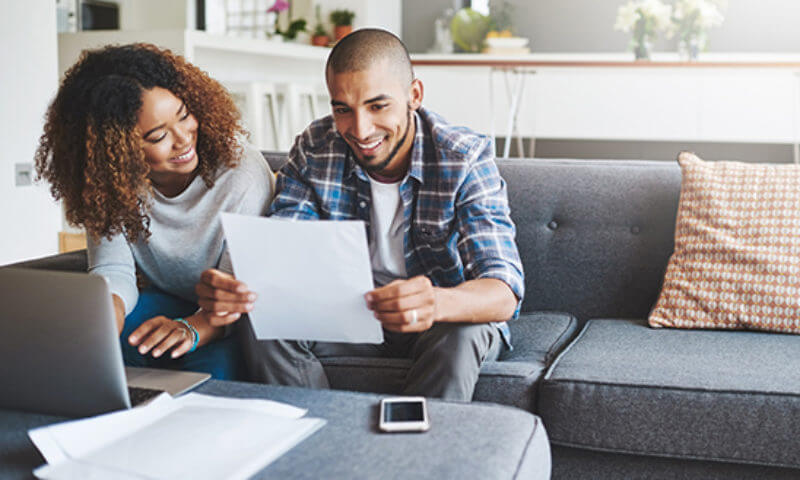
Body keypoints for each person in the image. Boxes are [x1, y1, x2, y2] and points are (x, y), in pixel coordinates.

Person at [196, 28, 523, 400]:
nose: (360, 129)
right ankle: (319, 439)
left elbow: (503, 290)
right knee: (261, 321)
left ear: (413, 95)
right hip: (352, 318)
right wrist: (238, 286)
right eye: (342, 109)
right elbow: (286, 245)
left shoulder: (462, 157)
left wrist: (434, 302)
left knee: (463, 333)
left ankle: (419, 456)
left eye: (377, 106)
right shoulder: (316, 148)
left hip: (440, 320)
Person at [35, 43, 273, 380]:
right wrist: (106, 315)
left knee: (213, 380)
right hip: (159, 302)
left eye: (185, 115)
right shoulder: (109, 182)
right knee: (95, 361)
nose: (183, 140)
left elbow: (237, 292)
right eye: (158, 135)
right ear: (115, 149)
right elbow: (114, 269)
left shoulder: (241, 173)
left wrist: (191, 328)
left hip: (225, 320)